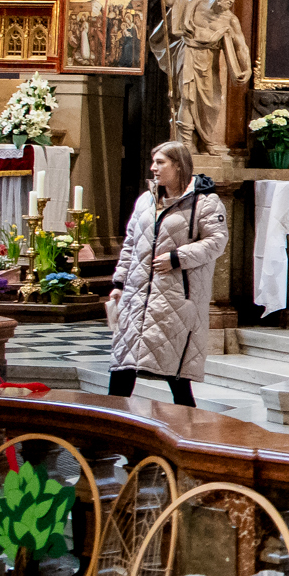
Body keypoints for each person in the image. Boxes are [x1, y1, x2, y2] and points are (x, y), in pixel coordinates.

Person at [107, 141, 228, 407]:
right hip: (137, 295)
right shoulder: (146, 200)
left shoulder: (205, 202)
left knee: (177, 373)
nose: (153, 168)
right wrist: (119, 282)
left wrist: (177, 258)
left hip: (175, 296)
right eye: (154, 162)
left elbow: (217, 241)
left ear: (178, 165)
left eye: (160, 162)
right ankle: (107, 425)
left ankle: (188, 426)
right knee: (123, 366)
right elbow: (131, 243)